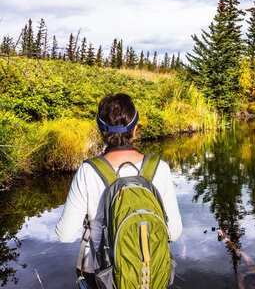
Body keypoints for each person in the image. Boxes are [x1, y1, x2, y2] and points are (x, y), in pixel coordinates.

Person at [55, 93, 182, 288]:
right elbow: (173, 233)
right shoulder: (159, 168)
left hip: (102, 276)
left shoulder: (88, 171)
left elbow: (66, 235)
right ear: (135, 129)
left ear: (101, 132)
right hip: (152, 275)